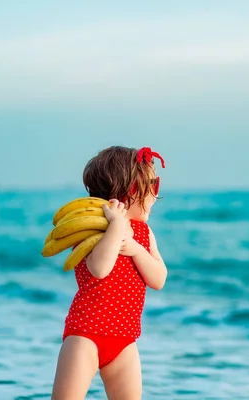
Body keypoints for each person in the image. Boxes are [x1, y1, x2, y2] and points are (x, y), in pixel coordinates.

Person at [51, 146, 168, 400]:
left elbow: (158, 279)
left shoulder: (145, 235)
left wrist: (137, 250)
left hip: (125, 341)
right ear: (130, 191)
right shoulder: (90, 229)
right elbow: (100, 268)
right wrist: (116, 226)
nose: (155, 196)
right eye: (152, 187)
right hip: (85, 336)